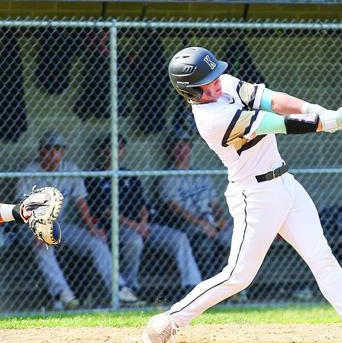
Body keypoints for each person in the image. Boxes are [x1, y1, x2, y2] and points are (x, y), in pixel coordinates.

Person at [141, 46, 342, 343]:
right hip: (254, 195)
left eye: (216, 73)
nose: (218, 80)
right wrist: (324, 123)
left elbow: (272, 99)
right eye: (209, 79)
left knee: (320, 254)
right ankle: (173, 319)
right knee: (238, 275)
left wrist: (317, 109)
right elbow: (274, 122)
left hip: (286, 183)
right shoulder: (212, 120)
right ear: (192, 91)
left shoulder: (227, 84)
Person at [15, 131, 142, 310]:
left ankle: (120, 289)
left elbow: (80, 201)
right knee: (44, 245)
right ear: (40, 151)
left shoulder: (70, 168)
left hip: (60, 226)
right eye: (48, 149)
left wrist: (93, 228)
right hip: (30, 227)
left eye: (57, 149)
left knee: (96, 243)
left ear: (63, 152)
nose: (53, 154)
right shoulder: (29, 171)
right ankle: (63, 294)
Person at [86, 134, 202, 301]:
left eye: (118, 148)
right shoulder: (94, 176)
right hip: (116, 228)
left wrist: (143, 223)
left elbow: (143, 205)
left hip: (142, 226)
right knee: (134, 240)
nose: (114, 152)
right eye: (109, 148)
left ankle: (192, 285)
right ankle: (129, 288)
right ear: (102, 151)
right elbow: (106, 212)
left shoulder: (129, 175)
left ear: (123, 151)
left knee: (178, 238)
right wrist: (136, 226)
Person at [157, 130, 233, 279]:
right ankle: (209, 285)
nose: (181, 150)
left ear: (190, 148)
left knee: (241, 238)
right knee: (204, 243)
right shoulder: (167, 178)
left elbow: (215, 204)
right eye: (176, 146)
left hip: (211, 222)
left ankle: (233, 284)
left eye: (184, 145)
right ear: (170, 150)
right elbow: (175, 209)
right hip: (188, 225)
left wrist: (220, 219)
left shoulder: (201, 173)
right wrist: (202, 224)